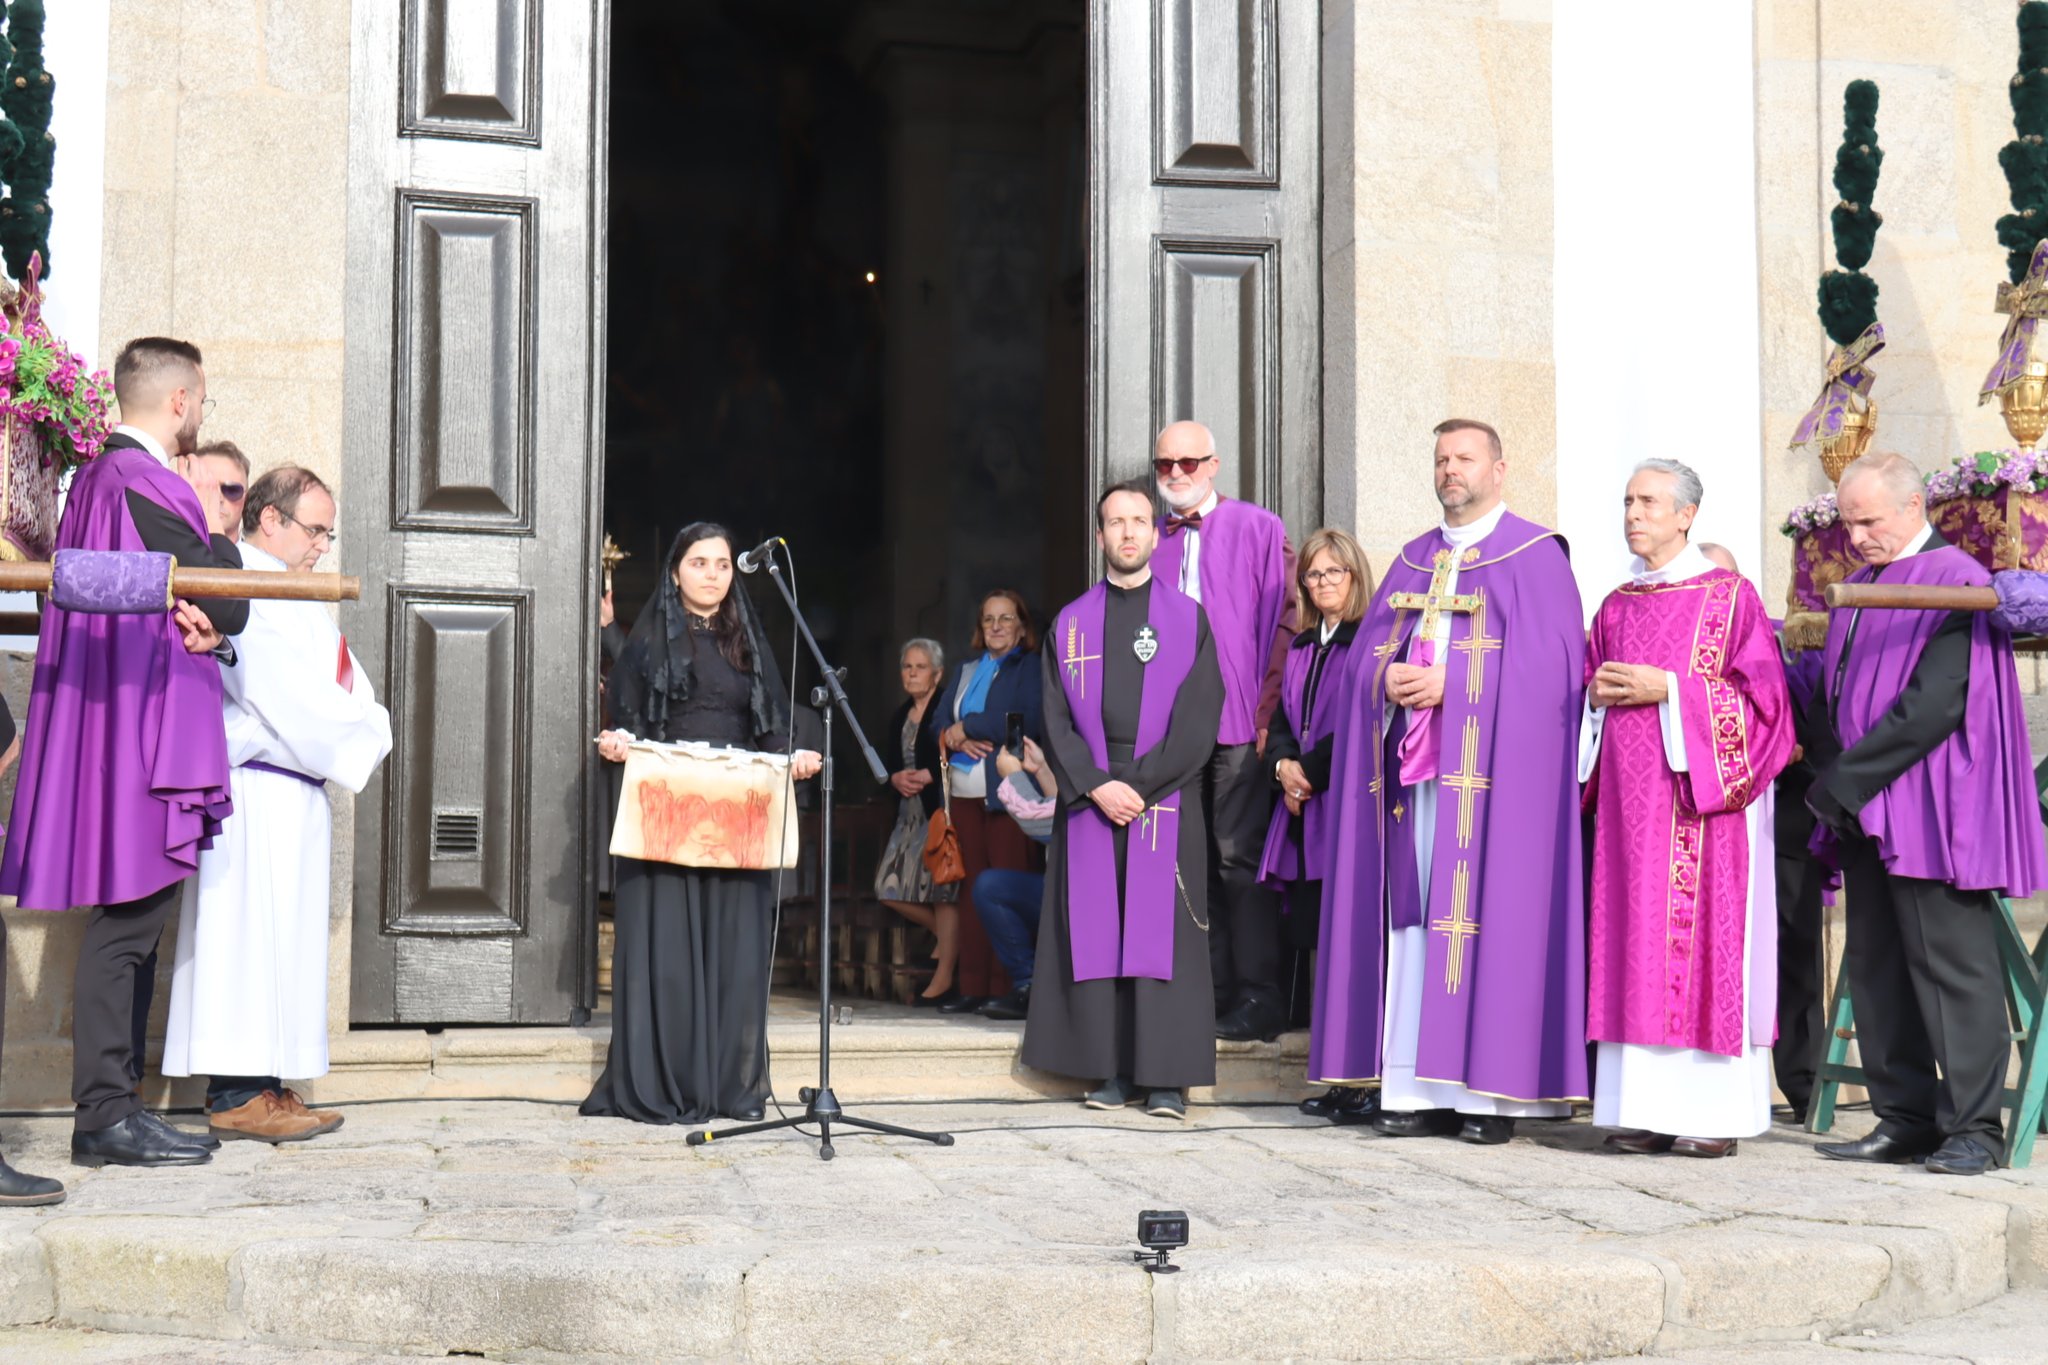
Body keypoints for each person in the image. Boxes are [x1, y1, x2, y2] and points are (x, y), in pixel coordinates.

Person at [2, 337, 246, 1175]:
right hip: (144, 723)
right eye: (202, 399)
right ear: (179, 399)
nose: (203, 413)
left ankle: (118, 1109)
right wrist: (218, 551)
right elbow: (229, 593)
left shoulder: (98, 482)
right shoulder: (146, 481)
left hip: (118, 716)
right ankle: (104, 1114)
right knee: (132, 915)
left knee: (134, 913)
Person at [1315, 419, 1588, 1145]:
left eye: (1464, 458)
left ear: (1499, 469)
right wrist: (1388, 675)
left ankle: (1491, 1097)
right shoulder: (1410, 559)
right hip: (1416, 781)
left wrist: (1457, 680)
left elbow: (1558, 672)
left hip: (1494, 788)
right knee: (1414, 922)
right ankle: (1413, 1083)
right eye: (1440, 459)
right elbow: (1366, 661)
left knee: (1484, 922)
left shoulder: (1536, 556)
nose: (1450, 471)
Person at [1807, 452, 2046, 1176]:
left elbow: (1936, 704)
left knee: (1951, 967)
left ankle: (1974, 1127)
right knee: (1878, 964)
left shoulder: (1958, 579)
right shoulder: (1873, 580)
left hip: (1932, 804)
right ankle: (1903, 1117)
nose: (1859, 536)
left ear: (1914, 508)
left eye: (1870, 521)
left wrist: (1843, 780)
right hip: (1869, 804)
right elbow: (1841, 684)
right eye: (1849, 523)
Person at [162, 467, 392, 1142]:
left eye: (327, 531)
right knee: (245, 935)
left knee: (280, 940)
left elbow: (358, 709)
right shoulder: (244, 583)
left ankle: (264, 1082)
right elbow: (289, 699)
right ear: (271, 519)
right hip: (254, 794)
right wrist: (314, 728)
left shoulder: (299, 596)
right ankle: (235, 1090)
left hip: (292, 792)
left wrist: (323, 725)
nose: (324, 544)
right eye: (315, 528)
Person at [1580, 461, 1795, 1157]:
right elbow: (1586, 695)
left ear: (1686, 515)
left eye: (1648, 501)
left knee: (1699, 946)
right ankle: (1641, 1108)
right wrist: (1596, 698)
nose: (1633, 514)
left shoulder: (1730, 599)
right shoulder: (1614, 605)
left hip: (1700, 813)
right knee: (1630, 946)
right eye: (1627, 501)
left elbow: (1767, 710)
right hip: (1624, 819)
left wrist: (1669, 689)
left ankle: (1712, 1115)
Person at [583, 523, 822, 1125]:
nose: (712, 573)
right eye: (699, 562)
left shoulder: (748, 643)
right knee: (668, 954)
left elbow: (769, 723)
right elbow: (630, 719)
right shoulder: (644, 645)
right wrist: (618, 742)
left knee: (732, 951)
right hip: (669, 814)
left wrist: (792, 756)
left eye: (721, 564)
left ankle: (724, 1086)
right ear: (675, 572)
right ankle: (663, 1081)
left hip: (735, 814)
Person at [1023, 479, 1224, 1120]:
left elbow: (1198, 723)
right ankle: (1105, 1069)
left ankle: (1165, 1078)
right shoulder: (1070, 622)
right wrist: (1095, 784)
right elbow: (1053, 720)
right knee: (1098, 932)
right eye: (1116, 522)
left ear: (1154, 532)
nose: (1129, 532)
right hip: (1090, 802)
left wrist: (1134, 787)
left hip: (1160, 799)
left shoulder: (1188, 620)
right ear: (1101, 534)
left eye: (1140, 520)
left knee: (1162, 936)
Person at [1147, 420, 1297, 1043]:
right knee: (1188, 861)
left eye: (1188, 462)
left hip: (1239, 724)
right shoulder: (1147, 537)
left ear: (1213, 464)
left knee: (1240, 859)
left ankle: (1260, 998)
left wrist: (1267, 714)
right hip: (1168, 730)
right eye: (1164, 466)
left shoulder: (1259, 528)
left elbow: (1285, 624)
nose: (1176, 474)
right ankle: (1203, 993)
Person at [1257, 528, 1377, 1123]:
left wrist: (1309, 773)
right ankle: (1337, 1078)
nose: (1323, 583)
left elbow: (1362, 721)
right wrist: (1283, 766)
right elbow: (1280, 717)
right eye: (1313, 575)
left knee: (1350, 946)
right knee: (1316, 946)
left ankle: (1364, 1081)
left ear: (1354, 577)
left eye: (1335, 573)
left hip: (1345, 810)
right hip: (1304, 811)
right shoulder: (1303, 646)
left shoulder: (1371, 643)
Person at [931, 589, 1043, 1014]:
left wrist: (966, 728)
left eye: (1006, 618)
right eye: (989, 619)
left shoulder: (1029, 667)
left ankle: (1013, 986)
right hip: (962, 794)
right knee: (971, 892)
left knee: (1006, 887)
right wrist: (949, 733)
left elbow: (1022, 719)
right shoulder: (964, 670)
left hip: (1009, 796)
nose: (997, 627)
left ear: (1021, 626)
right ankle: (973, 985)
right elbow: (937, 724)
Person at [872, 637, 960, 1003]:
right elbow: (889, 765)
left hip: (936, 813)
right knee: (886, 888)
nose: (911, 673)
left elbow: (958, 757)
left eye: (919, 667)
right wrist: (894, 778)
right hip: (906, 816)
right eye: (907, 666)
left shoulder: (946, 710)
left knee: (942, 891)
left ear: (937, 674)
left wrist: (928, 774)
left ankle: (944, 975)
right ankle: (953, 936)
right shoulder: (899, 716)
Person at [975, 735, 1058, 1020]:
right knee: (992, 888)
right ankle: (1029, 985)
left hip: (1089, 901)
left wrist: (1013, 775)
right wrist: (1043, 770)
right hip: (1062, 891)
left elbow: (1046, 823)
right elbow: (1064, 807)